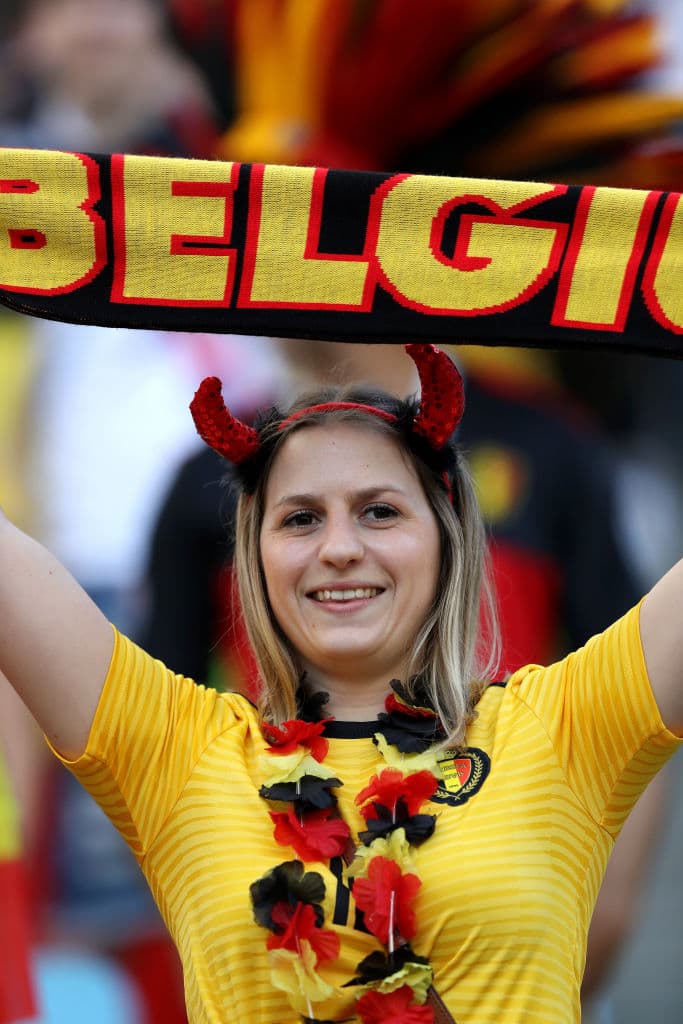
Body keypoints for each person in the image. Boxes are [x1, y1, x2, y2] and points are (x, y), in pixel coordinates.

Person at [0, 342, 681, 1024]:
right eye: (299, 518)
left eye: (379, 511)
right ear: (251, 557)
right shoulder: (179, 750)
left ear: (447, 539)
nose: (338, 547)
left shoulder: (557, 726)